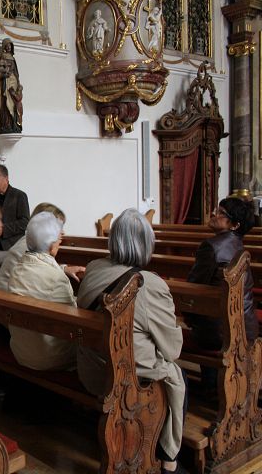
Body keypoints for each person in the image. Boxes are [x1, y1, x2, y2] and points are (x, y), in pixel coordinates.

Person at [76, 208, 186, 474]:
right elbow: (173, 349)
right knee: (176, 375)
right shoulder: (149, 284)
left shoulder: (93, 268)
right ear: (146, 244)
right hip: (126, 379)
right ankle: (167, 459)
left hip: (92, 370)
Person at [7, 212, 77, 370]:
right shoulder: (57, 279)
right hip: (52, 358)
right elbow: (73, 321)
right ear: (52, 246)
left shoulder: (17, 270)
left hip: (21, 351)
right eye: (58, 240)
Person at [186, 197, 258, 347]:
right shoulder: (239, 245)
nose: (214, 213)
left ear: (235, 225)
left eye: (221, 212)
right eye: (216, 210)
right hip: (246, 326)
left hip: (219, 331)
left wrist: (187, 318)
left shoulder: (211, 247)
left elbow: (193, 286)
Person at [0, 202, 85, 291]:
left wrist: (64, 269)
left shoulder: (31, 241)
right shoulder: (29, 246)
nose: (62, 232)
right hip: (2, 296)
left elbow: (40, 268)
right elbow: (40, 272)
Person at [0, 164, 30, 251]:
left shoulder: (19, 195)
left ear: (6, 178)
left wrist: (2, 229)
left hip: (13, 247)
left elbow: (25, 222)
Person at [0, 38, 22, 134]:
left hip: (14, 82)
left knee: (14, 102)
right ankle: (7, 124)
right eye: (7, 45)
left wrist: (18, 83)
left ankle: (15, 124)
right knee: (6, 102)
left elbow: (16, 73)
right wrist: (4, 75)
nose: (9, 47)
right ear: (4, 47)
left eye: (10, 45)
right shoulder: (1, 58)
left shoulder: (13, 59)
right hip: (6, 82)